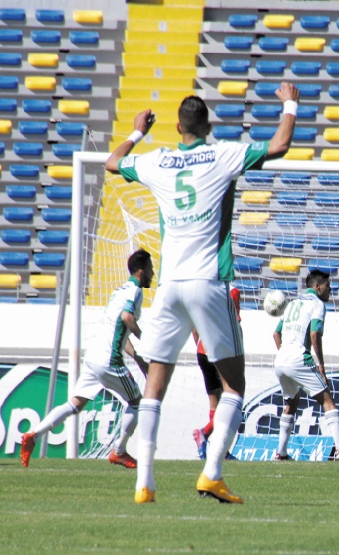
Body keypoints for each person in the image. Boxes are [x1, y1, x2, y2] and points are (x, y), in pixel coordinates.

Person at [105, 81, 300, 504]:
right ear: (208, 125)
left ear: (177, 127)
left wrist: (138, 131)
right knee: (234, 388)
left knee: (154, 388)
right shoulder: (224, 153)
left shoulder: (158, 160)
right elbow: (281, 144)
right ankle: (211, 474)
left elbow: (112, 162)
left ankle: (145, 484)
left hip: (170, 286)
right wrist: (290, 103)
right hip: (208, 284)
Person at [20, 249, 153, 469]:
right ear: (141, 271)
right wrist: (145, 339)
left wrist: (137, 357)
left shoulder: (119, 291)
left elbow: (118, 328)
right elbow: (127, 318)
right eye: (150, 269)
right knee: (137, 402)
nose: (152, 273)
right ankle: (118, 451)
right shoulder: (135, 292)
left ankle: (33, 435)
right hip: (109, 360)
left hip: (93, 357)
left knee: (75, 404)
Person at [272, 270, 339, 462]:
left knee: (291, 404)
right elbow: (314, 335)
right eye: (328, 286)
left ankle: (281, 452)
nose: (331, 290)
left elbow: (276, 334)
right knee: (328, 401)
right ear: (317, 287)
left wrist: (285, 353)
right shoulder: (317, 305)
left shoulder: (292, 304)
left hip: (280, 360)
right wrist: (321, 365)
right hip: (299, 358)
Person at [191, 286, 241, 460]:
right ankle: (204, 434)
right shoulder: (232, 291)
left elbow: (195, 328)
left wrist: (201, 347)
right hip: (221, 352)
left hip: (202, 351)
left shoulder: (204, 290)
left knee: (215, 404)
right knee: (232, 400)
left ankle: (220, 450)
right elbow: (235, 325)